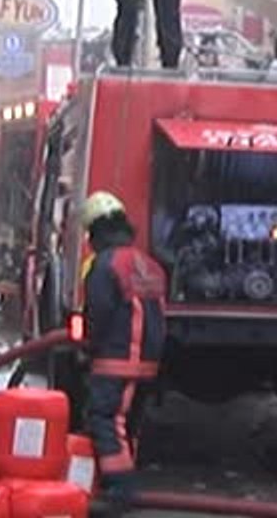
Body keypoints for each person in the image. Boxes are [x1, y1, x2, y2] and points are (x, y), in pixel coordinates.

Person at [79, 191, 167, 514]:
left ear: (96, 231)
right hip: (147, 360)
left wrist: (88, 346)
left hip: (116, 360)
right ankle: (122, 480)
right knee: (129, 424)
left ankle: (119, 491)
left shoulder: (105, 265)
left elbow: (98, 313)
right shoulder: (149, 264)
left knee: (105, 419)